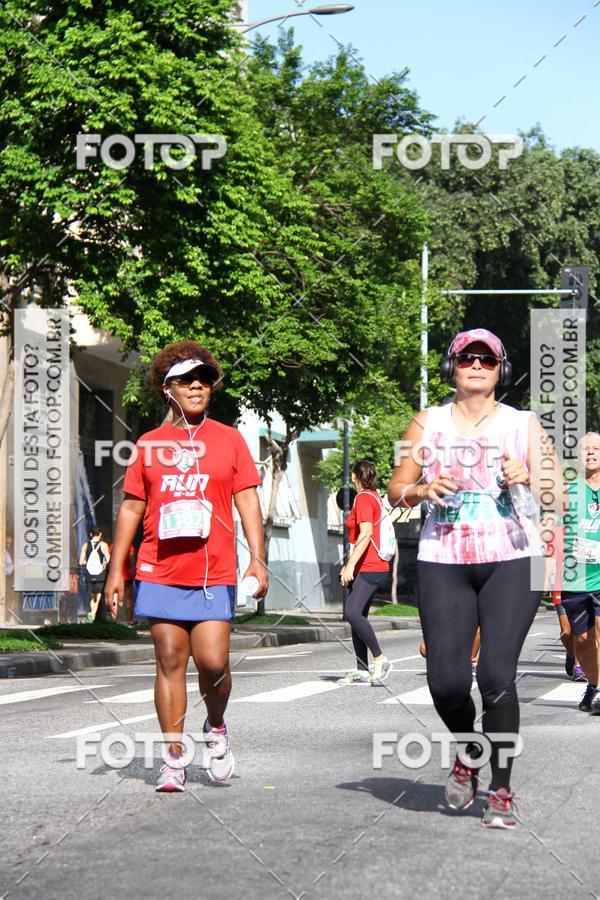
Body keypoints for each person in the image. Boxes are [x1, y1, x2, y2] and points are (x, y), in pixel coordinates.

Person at [388, 327, 560, 829]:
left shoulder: (524, 425)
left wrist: (531, 477)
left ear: (501, 370)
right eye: (468, 358)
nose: (478, 366)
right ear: (452, 366)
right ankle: (469, 750)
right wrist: (421, 490)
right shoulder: (426, 422)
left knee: (495, 675)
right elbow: (397, 485)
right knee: (445, 682)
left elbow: (559, 500)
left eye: (488, 359)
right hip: (444, 557)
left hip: (514, 558)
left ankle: (502, 789)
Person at [104, 340, 268, 792]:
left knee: (213, 661)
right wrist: (117, 568)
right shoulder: (150, 444)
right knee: (170, 661)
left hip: (212, 569)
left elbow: (247, 500)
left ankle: (216, 728)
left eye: (204, 379)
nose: (197, 386)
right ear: (166, 387)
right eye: (185, 380)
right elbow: (132, 508)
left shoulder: (229, 438)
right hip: (159, 566)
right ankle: (173, 759)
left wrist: (257, 558)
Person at [553, 433, 600, 711]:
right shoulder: (568, 490)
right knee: (580, 640)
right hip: (575, 576)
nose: (591, 453)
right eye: (586, 450)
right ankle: (593, 684)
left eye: (596, 449)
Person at [339, 460, 391, 685]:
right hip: (366, 564)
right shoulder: (374, 497)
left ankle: (380, 659)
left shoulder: (362, 498)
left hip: (370, 565)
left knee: (352, 612)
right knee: (358, 615)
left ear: (354, 476)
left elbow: (366, 533)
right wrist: (350, 564)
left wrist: (350, 565)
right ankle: (361, 668)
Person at [79, 528, 110, 622]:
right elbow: (108, 558)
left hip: (89, 573)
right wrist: (103, 564)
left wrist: (88, 563)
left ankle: (92, 614)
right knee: (99, 594)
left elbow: (81, 562)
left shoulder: (85, 545)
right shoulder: (103, 545)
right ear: (100, 534)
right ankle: (93, 613)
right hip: (100, 574)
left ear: (91, 534)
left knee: (92, 596)